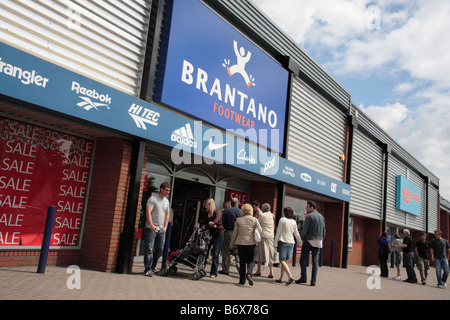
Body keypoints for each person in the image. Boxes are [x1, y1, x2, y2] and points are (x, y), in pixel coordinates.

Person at [230, 203, 262, 286]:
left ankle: (242, 280)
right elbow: (260, 230)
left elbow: (234, 233)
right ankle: (249, 274)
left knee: (242, 262)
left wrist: (231, 244)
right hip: (251, 243)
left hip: (240, 243)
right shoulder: (255, 220)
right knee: (251, 260)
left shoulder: (238, 220)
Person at [144, 182, 171, 277]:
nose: (168, 192)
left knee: (160, 249)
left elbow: (167, 215)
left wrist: (165, 226)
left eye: (169, 190)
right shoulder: (153, 199)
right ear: (161, 189)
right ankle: (148, 269)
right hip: (151, 228)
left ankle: (153, 266)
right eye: (166, 190)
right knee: (149, 249)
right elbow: (148, 212)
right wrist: (151, 225)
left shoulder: (166, 201)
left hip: (161, 229)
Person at [297, 201, 326, 286]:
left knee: (303, 259)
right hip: (318, 241)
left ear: (312, 207)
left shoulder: (309, 216)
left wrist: (301, 239)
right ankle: (313, 281)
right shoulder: (321, 217)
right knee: (315, 262)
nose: (306, 208)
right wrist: (321, 238)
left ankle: (303, 278)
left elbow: (305, 229)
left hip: (308, 240)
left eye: (307, 207)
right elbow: (324, 230)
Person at [274, 207, 301, 285]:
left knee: (282, 261)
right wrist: (299, 241)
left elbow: (278, 232)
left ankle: (290, 276)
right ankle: (281, 278)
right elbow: (296, 232)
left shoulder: (282, 220)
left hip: (283, 241)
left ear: (285, 212)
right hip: (291, 242)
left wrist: (275, 243)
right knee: (284, 261)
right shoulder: (294, 222)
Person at [203, 198, 224, 278]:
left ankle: (213, 273)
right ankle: (202, 268)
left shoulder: (217, 212)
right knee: (205, 251)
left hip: (218, 234)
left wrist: (214, 223)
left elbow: (218, 219)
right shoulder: (206, 213)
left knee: (215, 253)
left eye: (206, 205)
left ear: (210, 205)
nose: (205, 207)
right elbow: (205, 223)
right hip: (209, 234)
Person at [220, 198, 241, 275]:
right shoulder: (241, 212)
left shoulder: (226, 211)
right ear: (237, 203)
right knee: (237, 252)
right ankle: (240, 269)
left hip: (228, 232)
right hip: (238, 233)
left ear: (231, 203)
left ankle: (225, 269)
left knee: (226, 251)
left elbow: (222, 223)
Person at [254, 203, 275, 278]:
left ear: (263, 209)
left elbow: (258, 225)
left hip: (263, 236)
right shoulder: (272, 215)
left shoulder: (262, 215)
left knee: (260, 254)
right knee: (270, 254)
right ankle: (271, 272)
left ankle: (258, 270)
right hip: (271, 236)